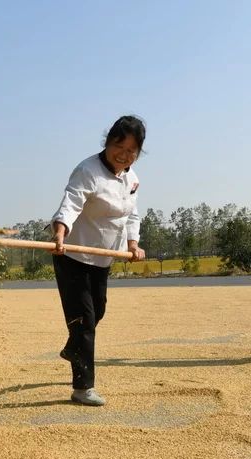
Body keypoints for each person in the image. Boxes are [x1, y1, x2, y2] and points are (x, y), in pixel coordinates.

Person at [49, 115, 146, 406]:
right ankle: (82, 387)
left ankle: (72, 347)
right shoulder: (87, 170)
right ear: (108, 142)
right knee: (84, 321)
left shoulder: (132, 179)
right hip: (72, 254)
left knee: (97, 312)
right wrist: (60, 233)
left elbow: (131, 214)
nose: (125, 155)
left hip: (103, 257)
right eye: (120, 146)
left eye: (132, 151)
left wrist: (133, 243)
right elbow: (71, 203)